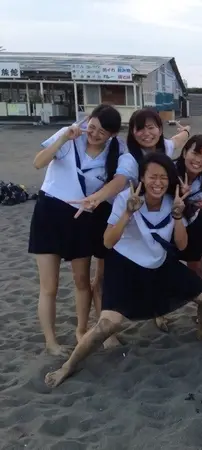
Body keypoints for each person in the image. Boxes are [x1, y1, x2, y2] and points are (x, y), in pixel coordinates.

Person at [44, 152, 202, 389]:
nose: (158, 182)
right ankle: (68, 366)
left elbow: (181, 245)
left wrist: (179, 216)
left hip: (160, 265)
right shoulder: (125, 199)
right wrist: (128, 213)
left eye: (163, 177)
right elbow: (108, 242)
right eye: (152, 177)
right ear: (142, 178)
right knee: (107, 325)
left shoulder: (174, 202)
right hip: (125, 267)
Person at [29, 105, 125, 356]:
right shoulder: (69, 136)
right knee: (49, 286)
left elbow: (128, 172)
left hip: (82, 218)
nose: (93, 134)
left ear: (112, 135)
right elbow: (38, 163)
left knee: (82, 281)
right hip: (49, 212)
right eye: (92, 127)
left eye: (102, 132)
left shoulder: (116, 150)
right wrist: (64, 137)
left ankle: (81, 330)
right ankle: (51, 342)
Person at [114, 107, 192, 331]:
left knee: (158, 262)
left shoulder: (165, 146)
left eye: (152, 127)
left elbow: (179, 139)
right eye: (140, 128)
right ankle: (107, 320)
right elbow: (119, 182)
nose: (146, 133)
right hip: (124, 213)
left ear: (159, 129)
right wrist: (96, 198)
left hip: (156, 213)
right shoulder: (129, 158)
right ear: (133, 131)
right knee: (105, 272)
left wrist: (186, 130)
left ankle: (158, 312)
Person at [174, 134, 202, 279]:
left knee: (196, 266)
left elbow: (193, 208)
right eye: (194, 153)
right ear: (184, 152)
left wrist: (195, 204)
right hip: (169, 217)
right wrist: (179, 193)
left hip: (193, 218)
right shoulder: (170, 172)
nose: (198, 160)